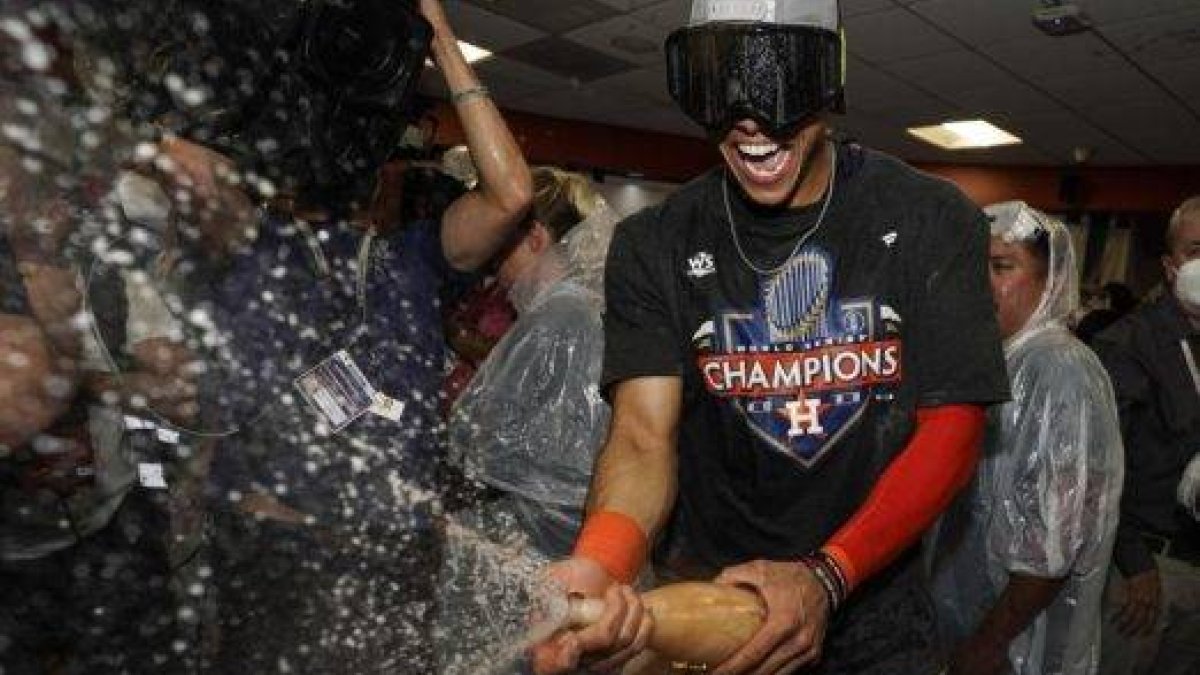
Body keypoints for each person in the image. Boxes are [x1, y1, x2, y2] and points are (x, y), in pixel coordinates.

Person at [533, 1, 1010, 673]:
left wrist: (827, 574)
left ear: (828, 80)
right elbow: (642, 433)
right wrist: (602, 561)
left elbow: (953, 426)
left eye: (777, 79)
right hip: (709, 600)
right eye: (718, 83)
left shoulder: (930, 217)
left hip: (871, 613)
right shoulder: (655, 242)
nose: (749, 120)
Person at [111, 0, 534, 671]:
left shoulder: (411, 263)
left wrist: (440, 38)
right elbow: (191, 165)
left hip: (391, 562)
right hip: (275, 560)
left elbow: (511, 193)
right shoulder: (251, 243)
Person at [929, 201, 1124, 675]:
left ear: (1049, 277)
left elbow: (1052, 542)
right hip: (974, 621)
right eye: (977, 267)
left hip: (1017, 642)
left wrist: (989, 642)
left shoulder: (1057, 367)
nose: (982, 283)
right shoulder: (1002, 362)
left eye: (1001, 266)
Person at [449, 166, 618, 559]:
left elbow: (551, 472)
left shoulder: (559, 319)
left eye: (499, 251)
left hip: (540, 551)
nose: (491, 266)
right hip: (546, 545)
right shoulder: (569, 313)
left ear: (536, 239)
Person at [1095, 195, 1200, 675]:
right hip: (1147, 572)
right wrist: (1134, 564)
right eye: (1195, 250)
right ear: (1169, 265)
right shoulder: (1129, 343)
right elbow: (1097, 468)